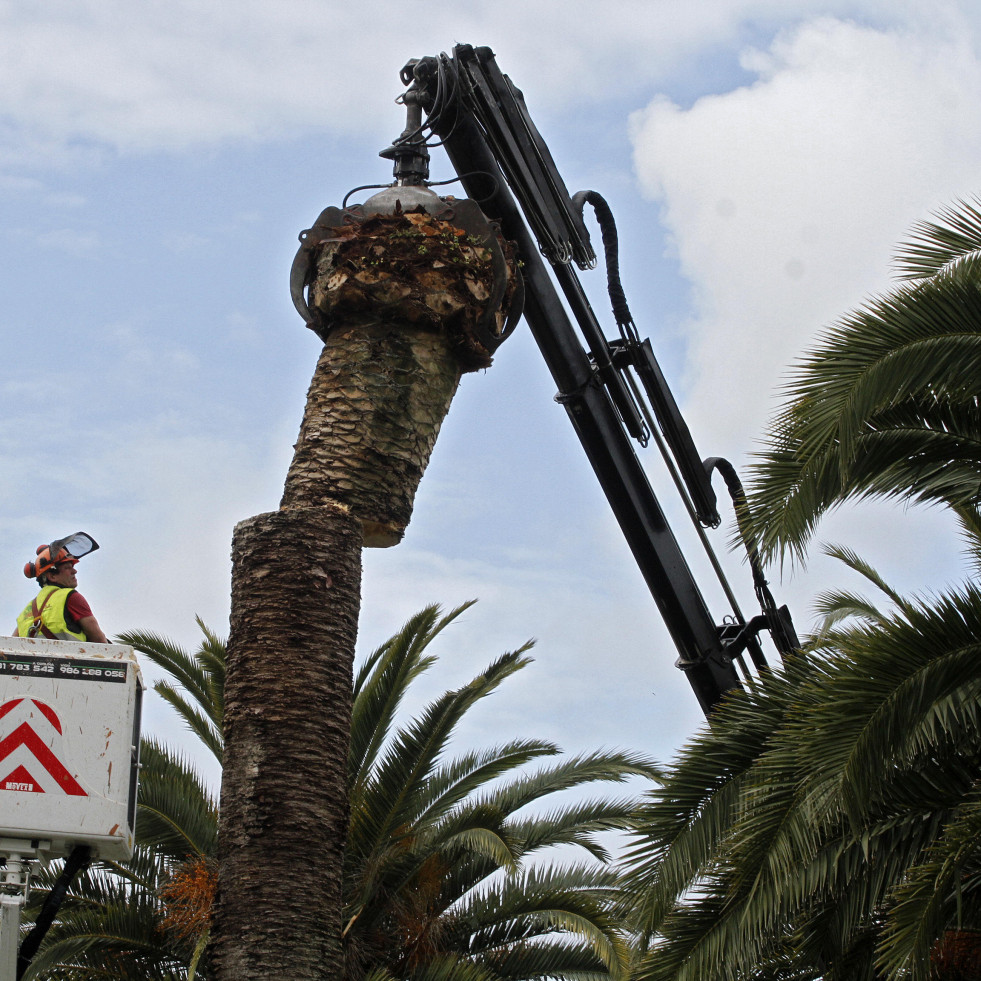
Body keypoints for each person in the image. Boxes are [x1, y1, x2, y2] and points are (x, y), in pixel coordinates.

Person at [14, 537, 109, 644]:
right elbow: (99, 639)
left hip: (33, 660)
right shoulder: (71, 597)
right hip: (73, 659)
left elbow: (11, 645)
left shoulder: (27, 609)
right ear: (52, 576)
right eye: (68, 567)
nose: (75, 571)